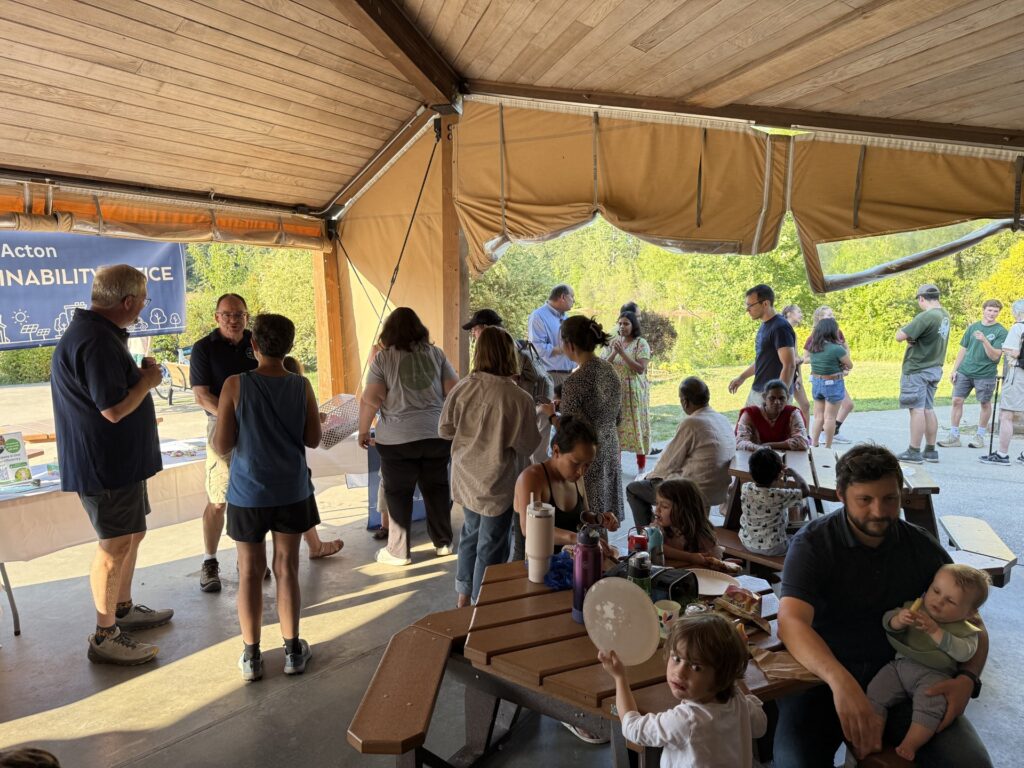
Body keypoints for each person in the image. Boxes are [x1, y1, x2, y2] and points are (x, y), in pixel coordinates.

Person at [776, 443, 992, 766]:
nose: (880, 511)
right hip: (819, 677)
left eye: (890, 498)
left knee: (969, 762)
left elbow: (975, 626)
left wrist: (967, 681)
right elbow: (791, 622)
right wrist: (841, 682)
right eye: (865, 500)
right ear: (841, 495)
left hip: (905, 678)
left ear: (901, 494)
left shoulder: (920, 546)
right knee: (795, 762)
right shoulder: (812, 544)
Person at [50, 264, 172, 666]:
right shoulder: (96, 341)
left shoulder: (99, 335)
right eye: (142, 302)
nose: (142, 310)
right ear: (128, 301)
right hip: (106, 465)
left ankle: (121, 609)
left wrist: (135, 377)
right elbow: (114, 409)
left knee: (132, 534)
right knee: (114, 544)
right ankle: (105, 635)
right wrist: (147, 382)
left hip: (120, 462)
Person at [213, 314, 321, 681]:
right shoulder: (301, 386)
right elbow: (313, 439)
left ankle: (252, 656)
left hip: (248, 493)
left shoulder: (234, 385)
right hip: (291, 489)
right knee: (287, 568)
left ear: (253, 345)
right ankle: (292, 651)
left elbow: (222, 444)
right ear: (288, 347)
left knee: (249, 573)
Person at [439, 327, 540, 607]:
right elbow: (527, 445)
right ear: (510, 355)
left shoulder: (463, 387)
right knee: (492, 544)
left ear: (478, 353)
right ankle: (481, 604)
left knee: (470, 534)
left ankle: (463, 596)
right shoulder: (519, 398)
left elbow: (445, 429)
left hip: (464, 477)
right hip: (497, 481)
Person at [599, 613, 767, 768]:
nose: (679, 672)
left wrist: (619, 678)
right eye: (676, 658)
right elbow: (761, 725)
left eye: (695, 667)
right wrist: (735, 669)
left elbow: (632, 728)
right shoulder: (738, 700)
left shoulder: (687, 720)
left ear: (721, 674)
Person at [357, 307, 458, 565]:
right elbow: (454, 390)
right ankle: (443, 543)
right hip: (436, 436)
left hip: (397, 441)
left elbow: (372, 399)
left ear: (389, 332)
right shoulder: (436, 354)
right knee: (437, 489)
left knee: (398, 493)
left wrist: (363, 430)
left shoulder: (383, 359)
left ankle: (399, 552)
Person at [866, 564, 990, 762]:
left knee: (930, 707)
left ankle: (911, 743)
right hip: (899, 667)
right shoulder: (915, 609)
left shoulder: (964, 629)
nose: (938, 602)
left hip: (934, 676)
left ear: (969, 613)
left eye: (950, 600)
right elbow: (888, 622)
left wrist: (936, 632)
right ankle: (873, 733)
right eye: (936, 591)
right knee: (875, 692)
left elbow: (965, 652)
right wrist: (898, 620)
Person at [189, 293, 259, 592]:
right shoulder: (204, 348)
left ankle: (248, 558)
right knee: (219, 498)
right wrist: (233, 417)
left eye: (239, 314)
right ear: (216, 317)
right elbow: (201, 395)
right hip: (221, 425)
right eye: (227, 314)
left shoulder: (257, 342)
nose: (233, 319)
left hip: (257, 426)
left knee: (255, 495)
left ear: (247, 317)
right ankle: (209, 561)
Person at [539, 316, 623, 520]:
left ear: (569, 344)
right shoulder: (609, 370)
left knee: (589, 519)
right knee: (604, 517)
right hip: (610, 447)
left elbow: (568, 434)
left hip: (586, 456)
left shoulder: (575, 382)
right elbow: (617, 417)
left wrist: (551, 415)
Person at [626, 377, 735, 525]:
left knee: (634, 489)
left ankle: (649, 537)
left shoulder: (693, 423)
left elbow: (667, 464)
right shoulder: (722, 419)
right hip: (717, 491)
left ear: (685, 401)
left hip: (693, 492)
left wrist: (647, 478)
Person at [514, 416, 619, 557]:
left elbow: (583, 515)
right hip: (532, 566)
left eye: (587, 464)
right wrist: (578, 538)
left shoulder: (576, 476)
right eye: (576, 463)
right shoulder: (531, 478)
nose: (581, 471)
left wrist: (598, 519)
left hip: (570, 563)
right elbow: (530, 528)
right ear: (556, 451)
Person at [462, 307, 552, 466]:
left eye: (475, 330)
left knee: (521, 461)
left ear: (485, 328)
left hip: (521, 409)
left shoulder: (504, 347)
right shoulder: (509, 342)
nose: (474, 335)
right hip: (527, 406)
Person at [281, 356, 344, 559]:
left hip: (267, 465)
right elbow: (312, 439)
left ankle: (250, 559)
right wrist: (316, 417)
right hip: (291, 462)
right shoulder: (298, 389)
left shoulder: (254, 388)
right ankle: (315, 546)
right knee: (303, 501)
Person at [895, 283, 951, 464]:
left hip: (918, 368)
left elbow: (900, 336)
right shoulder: (944, 315)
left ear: (921, 298)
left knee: (916, 409)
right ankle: (930, 450)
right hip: (935, 366)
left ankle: (914, 450)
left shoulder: (926, 316)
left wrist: (909, 337)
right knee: (928, 407)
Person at [939, 300, 1007, 449]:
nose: (992, 314)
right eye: (989, 310)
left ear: (998, 313)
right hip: (965, 371)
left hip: (985, 374)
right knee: (957, 400)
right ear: (983, 310)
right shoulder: (973, 327)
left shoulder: (1001, 331)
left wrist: (984, 340)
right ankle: (954, 435)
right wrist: (954, 369)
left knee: (984, 403)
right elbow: (963, 349)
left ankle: (980, 436)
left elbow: (995, 356)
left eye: (995, 311)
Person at [728, 284, 797, 405]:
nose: (747, 309)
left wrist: (777, 398)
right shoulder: (765, 326)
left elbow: (789, 365)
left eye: (750, 305)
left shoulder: (780, 327)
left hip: (771, 397)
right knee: (744, 423)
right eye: (747, 305)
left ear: (765, 304)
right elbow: (763, 360)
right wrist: (742, 377)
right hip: (759, 391)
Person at [653, 479, 740, 573]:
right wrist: (690, 557)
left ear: (684, 511)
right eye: (657, 504)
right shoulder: (658, 528)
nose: (657, 510)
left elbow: (711, 562)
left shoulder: (702, 536)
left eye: (664, 506)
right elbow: (656, 547)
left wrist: (722, 565)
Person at [739, 447, 810, 557]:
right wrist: (794, 473)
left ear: (750, 472)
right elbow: (805, 491)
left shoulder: (745, 487)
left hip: (747, 541)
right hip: (774, 547)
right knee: (801, 539)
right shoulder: (779, 495)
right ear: (779, 475)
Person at [604, 310, 652, 471]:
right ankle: (616, 467)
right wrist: (614, 352)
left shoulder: (641, 343)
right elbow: (604, 365)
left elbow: (640, 368)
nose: (622, 326)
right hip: (615, 393)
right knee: (615, 429)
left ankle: (641, 469)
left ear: (633, 325)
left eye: (626, 323)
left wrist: (623, 353)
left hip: (634, 394)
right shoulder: (614, 342)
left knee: (636, 428)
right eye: (620, 323)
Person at [979, 298, 1024, 465]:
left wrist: (1005, 348)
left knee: (1007, 414)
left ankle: (1002, 454)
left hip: (1017, 374)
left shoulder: (1018, 328)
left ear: (1017, 312)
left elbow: (1015, 352)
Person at [805, 305, 854, 443]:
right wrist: (826, 357)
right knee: (829, 415)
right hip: (827, 376)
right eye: (828, 315)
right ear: (819, 318)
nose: (832, 317)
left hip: (831, 376)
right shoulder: (813, 338)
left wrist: (844, 365)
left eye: (832, 314)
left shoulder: (837, 334)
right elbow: (806, 358)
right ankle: (827, 441)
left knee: (843, 407)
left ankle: (824, 437)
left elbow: (845, 349)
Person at [735, 378, 809, 452]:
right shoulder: (750, 414)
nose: (777, 402)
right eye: (772, 398)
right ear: (764, 397)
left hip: (787, 457)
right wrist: (758, 448)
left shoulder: (793, 413)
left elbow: (803, 442)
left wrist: (768, 445)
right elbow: (740, 442)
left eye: (781, 398)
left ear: (787, 398)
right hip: (756, 457)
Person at [527, 284, 576, 391]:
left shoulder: (566, 317)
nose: (574, 301)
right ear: (563, 297)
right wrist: (562, 349)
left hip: (569, 376)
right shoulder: (538, 316)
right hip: (551, 377)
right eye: (572, 296)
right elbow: (536, 348)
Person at [782, 305, 811, 428]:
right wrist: (798, 359)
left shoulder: (792, 332)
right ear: (789, 313)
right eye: (798, 311)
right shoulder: (782, 330)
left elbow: (796, 356)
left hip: (794, 375)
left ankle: (805, 435)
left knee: (805, 405)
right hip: (784, 374)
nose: (801, 314)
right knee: (783, 407)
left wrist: (799, 376)